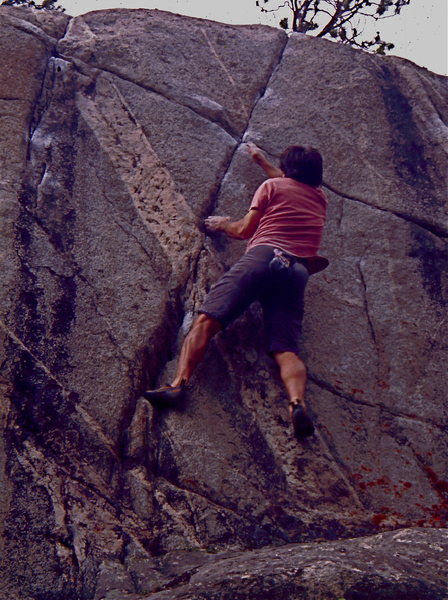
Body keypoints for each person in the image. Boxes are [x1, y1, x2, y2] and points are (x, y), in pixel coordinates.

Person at [143, 142, 328, 439]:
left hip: (265, 257)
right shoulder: (319, 199)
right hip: (297, 271)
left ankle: (178, 384)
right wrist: (261, 161)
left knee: (207, 320)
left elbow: (244, 230)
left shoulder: (271, 187)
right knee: (286, 349)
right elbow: (287, 180)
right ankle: (297, 402)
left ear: (287, 169)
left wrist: (222, 224)